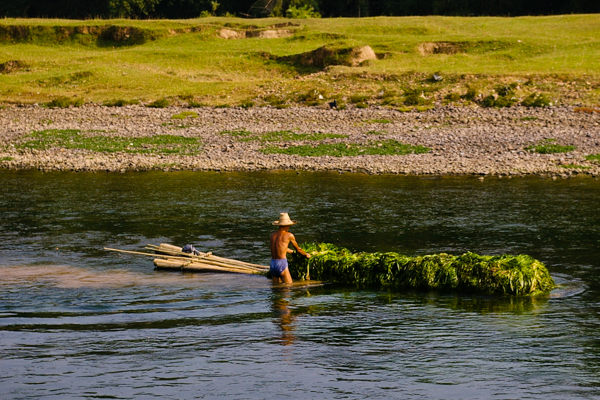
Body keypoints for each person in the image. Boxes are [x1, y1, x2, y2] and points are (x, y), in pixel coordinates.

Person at [270, 212, 311, 284]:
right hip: (282, 263)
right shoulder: (289, 235)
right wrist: (306, 255)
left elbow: (279, 247)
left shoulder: (272, 235)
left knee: (276, 289)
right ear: (286, 225)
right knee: (289, 288)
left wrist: (290, 251)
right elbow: (298, 249)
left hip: (273, 263)